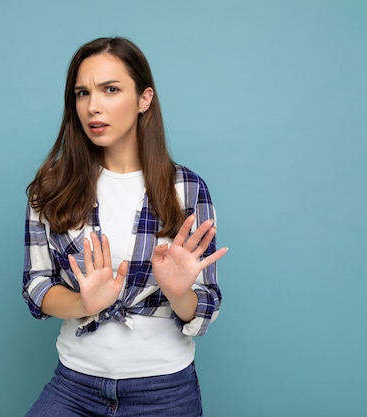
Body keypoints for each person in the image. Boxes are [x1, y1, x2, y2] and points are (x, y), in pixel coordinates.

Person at [22, 36, 228, 417]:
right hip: (75, 386)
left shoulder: (186, 189)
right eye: (82, 93)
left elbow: (206, 303)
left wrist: (180, 294)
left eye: (110, 90)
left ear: (144, 99)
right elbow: (37, 286)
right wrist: (85, 302)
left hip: (164, 392)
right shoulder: (52, 186)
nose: (93, 106)